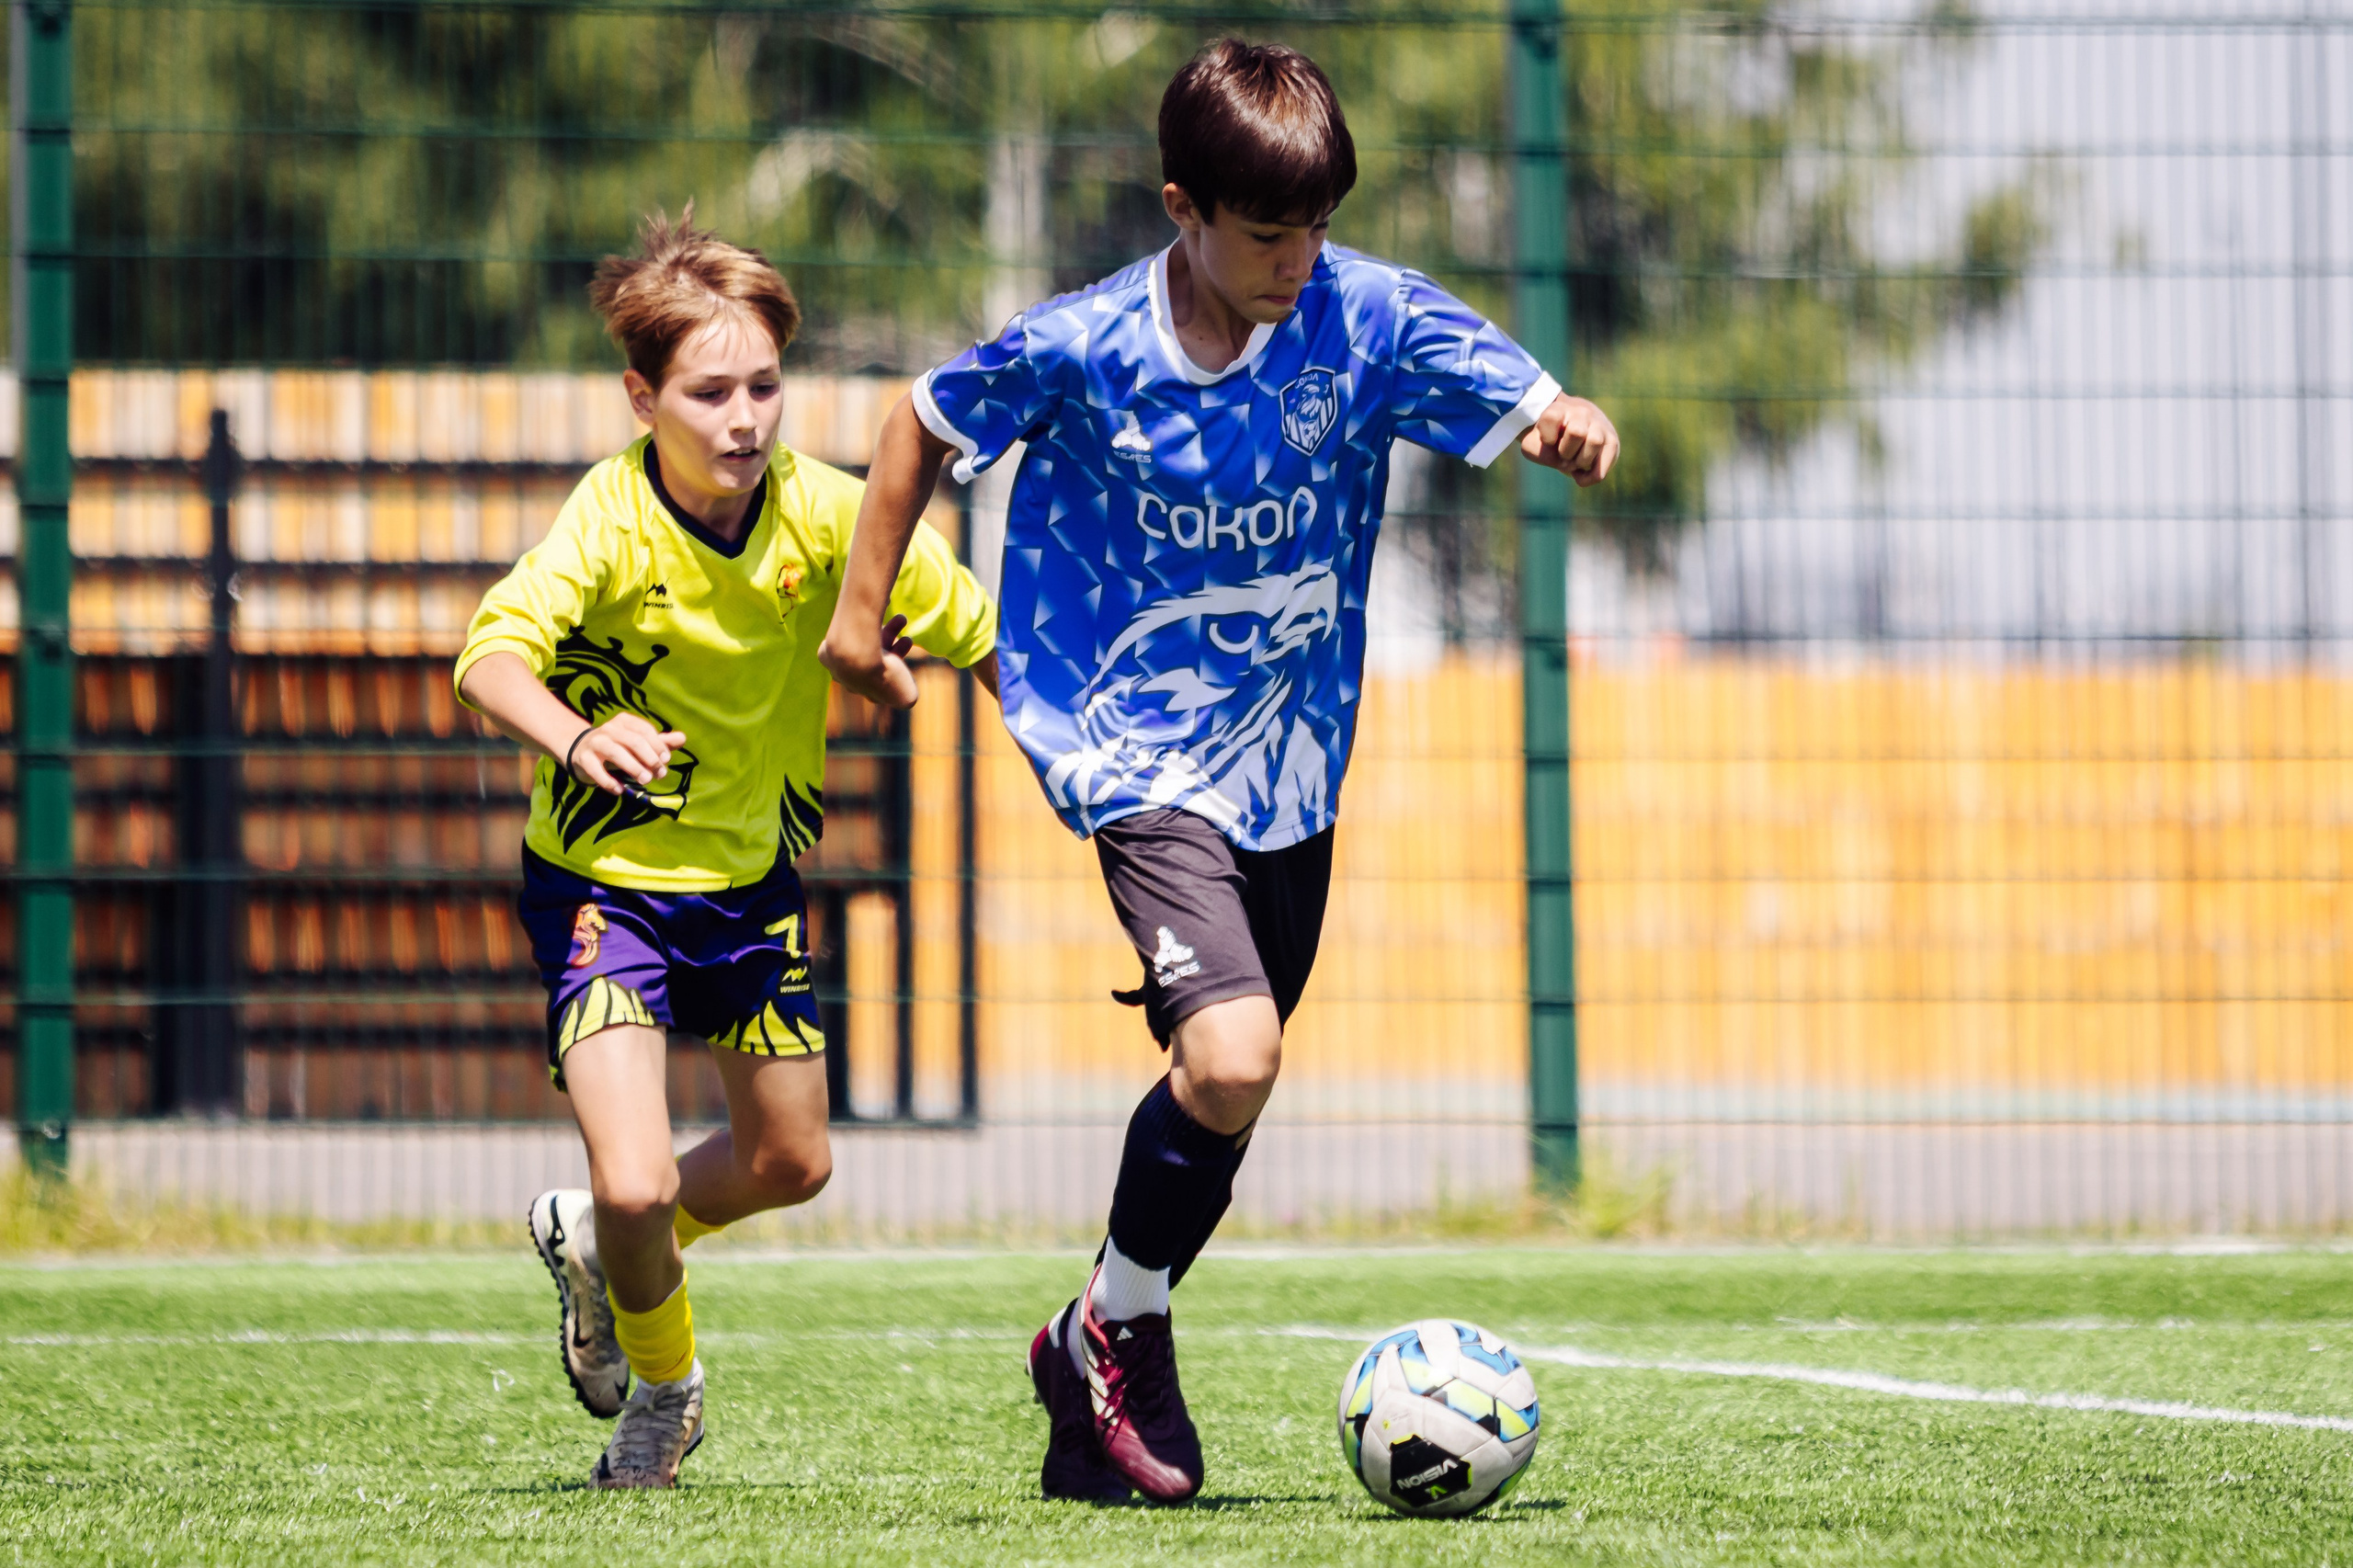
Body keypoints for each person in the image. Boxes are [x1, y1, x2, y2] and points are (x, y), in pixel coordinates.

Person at [819, 40, 1620, 1505]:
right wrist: (859, 624)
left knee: (1226, 1085)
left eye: (1317, 225)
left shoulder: (1367, 314)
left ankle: (1090, 1343)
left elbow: (1523, 392)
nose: (1298, 258)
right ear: (1181, 208)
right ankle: (1124, 1326)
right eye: (1266, 233)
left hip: (1293, 762)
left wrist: (1567, 421)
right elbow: (919, 421)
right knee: (1236, 1051)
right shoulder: (1086, 344)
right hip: (1129, 742)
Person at [455, 210, 998, 1489]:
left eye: (764, 384)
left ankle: (599, 1248)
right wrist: (577, 735)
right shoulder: (610, 519)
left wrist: (1100, 782)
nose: (745, 417)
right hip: (605, 891)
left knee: (791, 1161)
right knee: (640, 1183)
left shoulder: (829, 517)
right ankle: (664, 1390)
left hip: (751, 889)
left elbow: (983, 639)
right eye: (709, 393)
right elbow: (487, 656)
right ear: (642, 398)